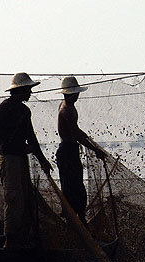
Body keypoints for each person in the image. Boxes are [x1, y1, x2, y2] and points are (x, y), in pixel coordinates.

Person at [0, 72, 52, 249]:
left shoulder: (20, 109)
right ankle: (10, 241)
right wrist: (32, 153)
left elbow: (30, 138)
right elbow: (8, 141)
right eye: (28, 90)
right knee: (13, 198)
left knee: (23, 197)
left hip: (17, 158)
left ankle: (20, 238)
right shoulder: (8, 109)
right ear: (21, 90)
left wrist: (41, 158)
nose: (30, 93)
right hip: (10, 159)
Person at [56, 76, 106, 226]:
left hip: (69, 150)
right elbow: (75, 134)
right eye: (76, 93)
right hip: (67, 152)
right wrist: (95, 149)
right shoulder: (67, 110)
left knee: (74, 186)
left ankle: (78, 219)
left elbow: (76, 131)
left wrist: (86, 137)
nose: (78, 96)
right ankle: (77, 221)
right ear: (71, 94)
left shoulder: (67, 106)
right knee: (73, 188)